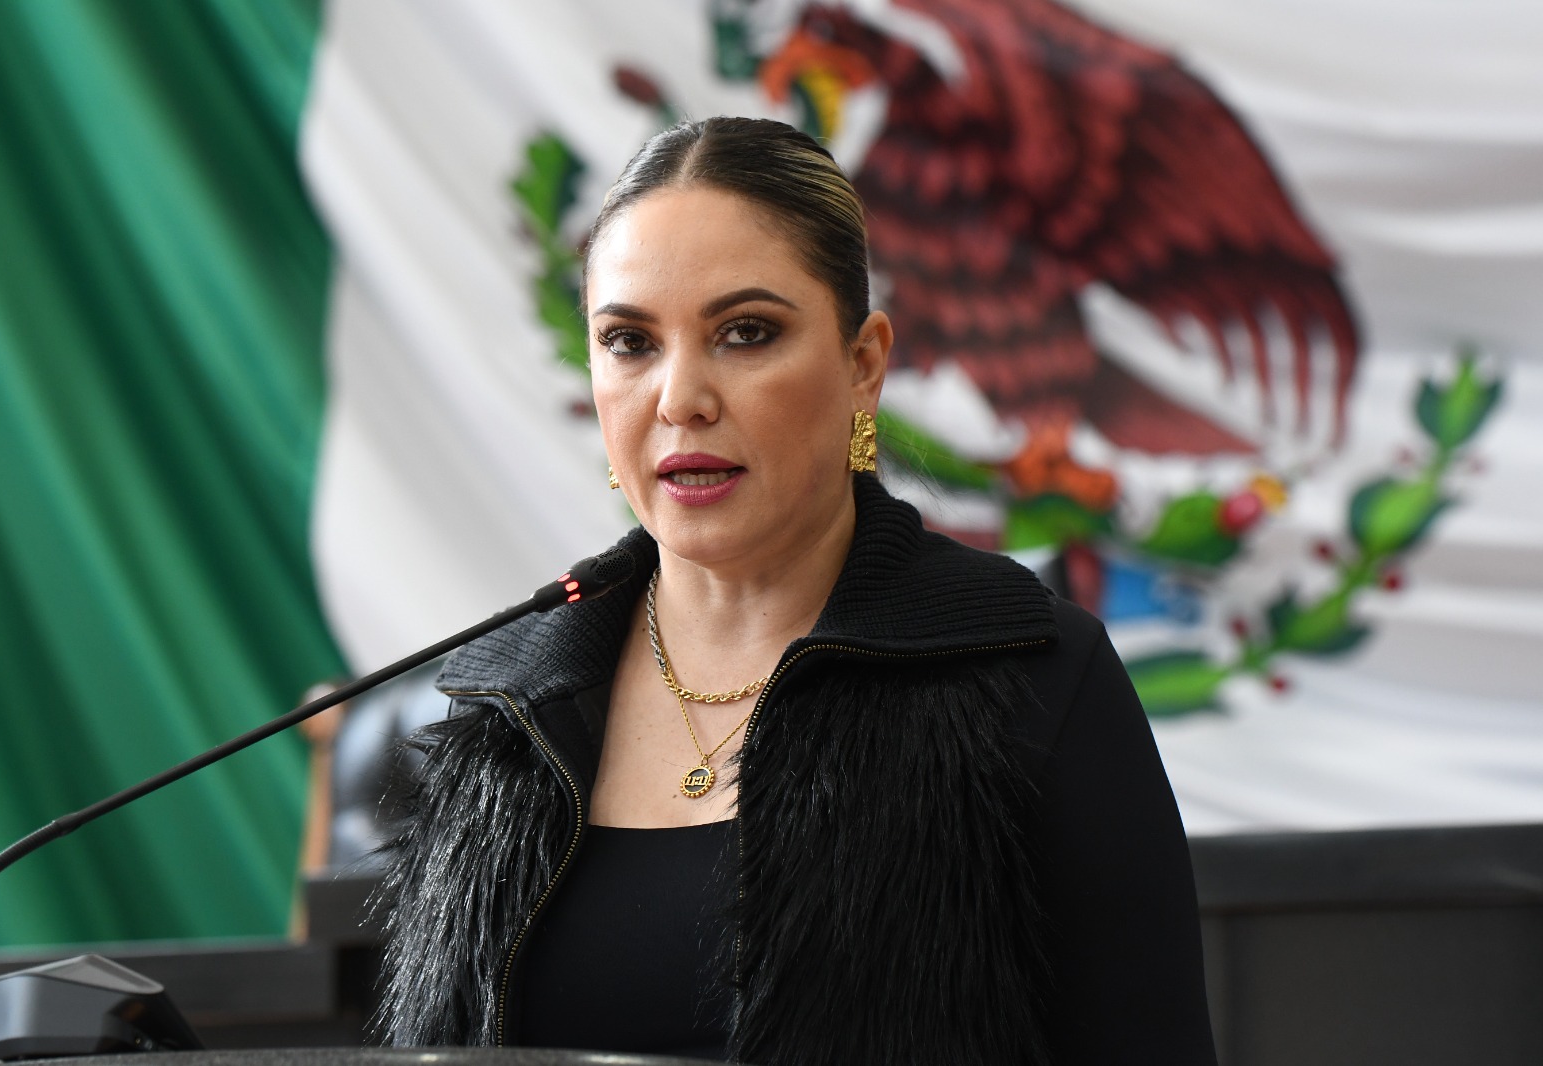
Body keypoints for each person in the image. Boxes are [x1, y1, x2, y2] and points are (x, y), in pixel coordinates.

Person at [374, 116, 1218, 1065]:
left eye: (745, 333)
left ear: (864, 365)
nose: (680, 398)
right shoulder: (503, 706)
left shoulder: (1029, 674)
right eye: (630, 342)